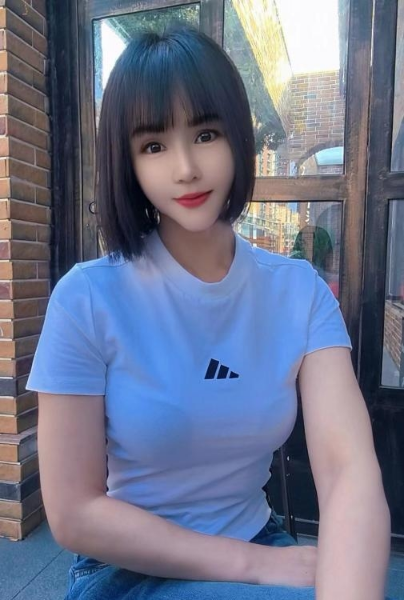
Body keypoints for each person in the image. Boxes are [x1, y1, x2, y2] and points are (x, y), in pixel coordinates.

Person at [26, 27, 393, 600]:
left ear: (238, 138)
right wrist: (254, 565)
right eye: (153, 146)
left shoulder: (298, 292)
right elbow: (75, 514)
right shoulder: (87, 300)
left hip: (257, 536)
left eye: (205, 134)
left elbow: (349, 470)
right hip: (129, 569)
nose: (185, 168)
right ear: (128, 163)